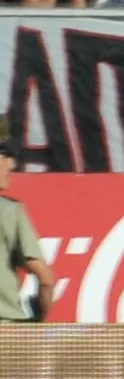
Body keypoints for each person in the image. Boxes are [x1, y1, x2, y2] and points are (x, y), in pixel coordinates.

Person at [0, 138, 55, 323]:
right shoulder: (9, 211)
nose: (12, 165)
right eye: (4, 156)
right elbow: (46, 280)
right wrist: (40, 320)